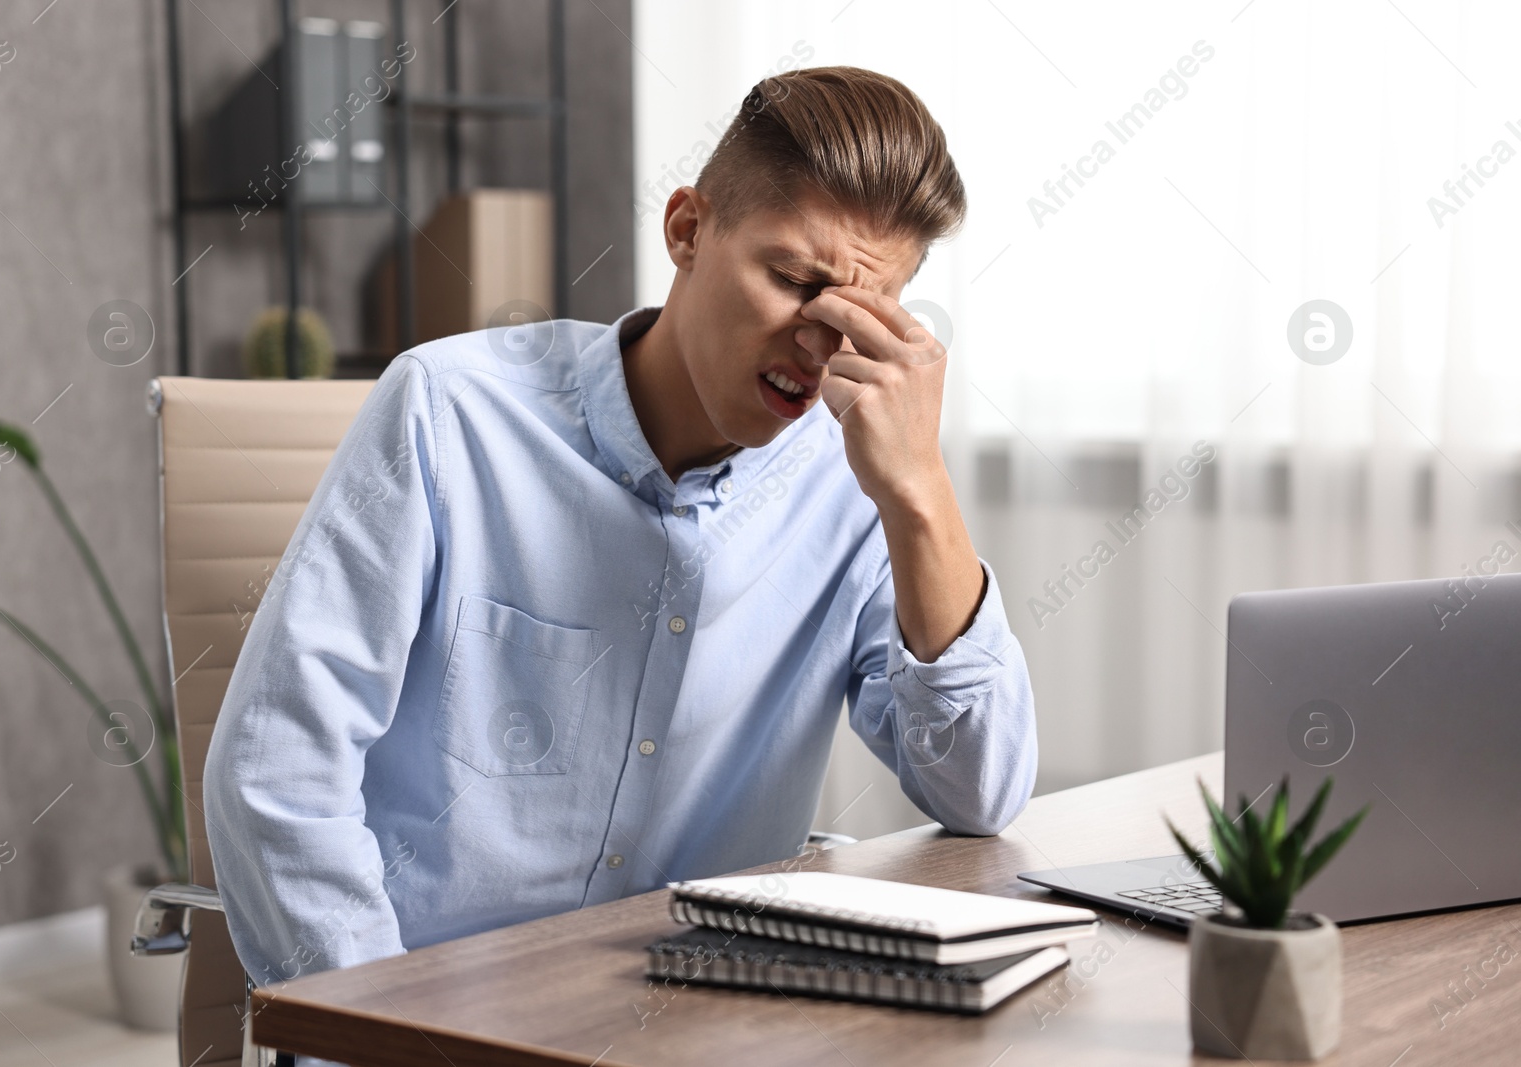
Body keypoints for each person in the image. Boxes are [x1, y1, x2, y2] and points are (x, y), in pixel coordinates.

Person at [203, 64, 1037, 1012]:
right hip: (435, 1016)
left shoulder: (860, 482)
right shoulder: (451, 412)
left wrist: (922, 494)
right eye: (793, 280)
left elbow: (979, 791)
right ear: (687, 229)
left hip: (694, 1024)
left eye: (862, 315)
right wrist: (385, 1029)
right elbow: (277, 771)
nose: (819, 344)